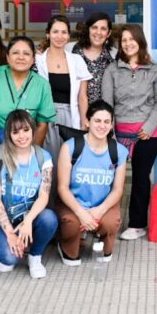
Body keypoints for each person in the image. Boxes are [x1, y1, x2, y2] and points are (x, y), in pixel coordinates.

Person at [101, 24, 157, 241]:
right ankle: (104, 220)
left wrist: (148, 127)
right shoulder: (112, 69)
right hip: (118, 134)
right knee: (110, 178)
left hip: (148, 135)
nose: (128, 43)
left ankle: (137, 225)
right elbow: (107, 104)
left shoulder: (154, 70)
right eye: (124, 40)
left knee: (140, 178)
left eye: (132, 39)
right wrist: (109, 132)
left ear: (140, 41)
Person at [0, 110, 57, 278]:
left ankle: (35, 255)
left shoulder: (43, 157)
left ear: (32, 129)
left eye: (25, 130)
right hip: (0, 217)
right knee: (10, 260)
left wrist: (28, 221)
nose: (22, 136)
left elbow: (43, 197)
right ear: (9, 134)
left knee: (49, 218)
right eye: (15, 132)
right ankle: (13, 244)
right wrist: (10, 234)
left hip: (27, 215)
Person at [55, 101, 128, 265]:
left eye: (107, 122)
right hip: (74, 203)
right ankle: (68, 243)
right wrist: (81, 213)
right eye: (97, 121)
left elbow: (117, 190)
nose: (102, 126)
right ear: (87, 122)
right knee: (71, 226)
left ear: (111, 125)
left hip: (102, 203)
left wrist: (99, 211)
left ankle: (102, 239)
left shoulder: (119, 151)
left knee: (111, 223)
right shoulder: (70, 147)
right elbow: (62, 188)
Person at [0, 36, 57, 149]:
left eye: (26, 53)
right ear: (7, 57)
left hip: (26, 147)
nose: (21, 57)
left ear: (33, 59)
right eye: (15, 53)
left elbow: (42, 124)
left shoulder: (41, 84)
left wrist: (32, 154)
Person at [36, 15, 92, 160]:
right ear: (48, 34)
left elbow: (82, 97)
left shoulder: (76, 60)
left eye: (63, 32)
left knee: (71, 158)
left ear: (68, 36)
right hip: (45, 117)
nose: (59, 36)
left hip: (70, 115)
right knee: (48, 158)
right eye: (55, 32)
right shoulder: (37, 61)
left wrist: (84, 122)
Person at [72, 11, 115, 104]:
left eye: (103, 29)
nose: (98, 32)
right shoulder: (74, 53)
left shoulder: (113, 57)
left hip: (104, 111)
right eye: (94, 27)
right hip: (75, 111)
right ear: (88, 29)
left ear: (109, 33)